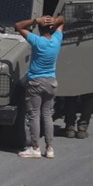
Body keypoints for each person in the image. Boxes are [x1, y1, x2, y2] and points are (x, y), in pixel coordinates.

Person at [15, 14, 65, 158]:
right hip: (51, 81)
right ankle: (50, 148)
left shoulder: (37, 41)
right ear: (52, 28)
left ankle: (35, 147)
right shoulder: (57, 39)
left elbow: (18, 26)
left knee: (34, 114)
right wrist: (55, 21)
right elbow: (63, 20)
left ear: (39, 28)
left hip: (36, 82)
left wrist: (35, 20)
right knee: (48, 115)